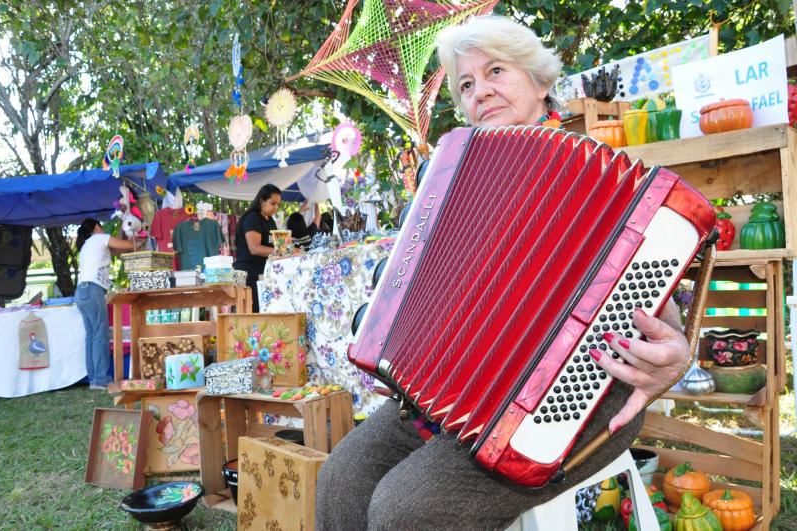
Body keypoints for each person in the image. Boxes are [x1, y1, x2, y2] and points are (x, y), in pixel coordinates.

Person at [315, 15, 691, 531]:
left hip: (577, 400)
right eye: (466, 85)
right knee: (340, 477)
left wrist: (674, 355)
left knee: (404, 511)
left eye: (496, 71)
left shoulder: (597, 173)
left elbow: (662, 314)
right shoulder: (452, 182)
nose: (480, 93)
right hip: (451, 401)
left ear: (539, 82)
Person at [75, 218, 141, 390]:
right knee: (99, 335)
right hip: (92, 289)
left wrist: (123, 231)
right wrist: (139, 238)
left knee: (91, 336)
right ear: (97, 227)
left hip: (82, 291)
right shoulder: (98, 238)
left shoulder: (88, 245)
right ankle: (101, 379)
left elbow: (117, 250)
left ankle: (94, 378)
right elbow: (127, 246)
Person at [233, 183, 281, 312]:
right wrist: (280, 251)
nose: (276, 207)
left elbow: (274, 244)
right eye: (272, 203)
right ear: (261, 201)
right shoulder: (253, 218)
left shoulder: (270, 220)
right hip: (248, 274)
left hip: (262, 273)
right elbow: (254, 248)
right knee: (252, 315)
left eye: (278, 204)